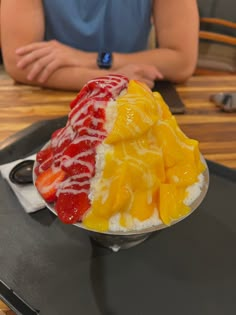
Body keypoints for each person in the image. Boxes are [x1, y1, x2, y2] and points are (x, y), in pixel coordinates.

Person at [1, 0, 199, 91]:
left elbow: (182, 62)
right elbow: (20, 63)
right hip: (48, 98)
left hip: (129, 100)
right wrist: (111, 79)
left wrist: (88, 58)